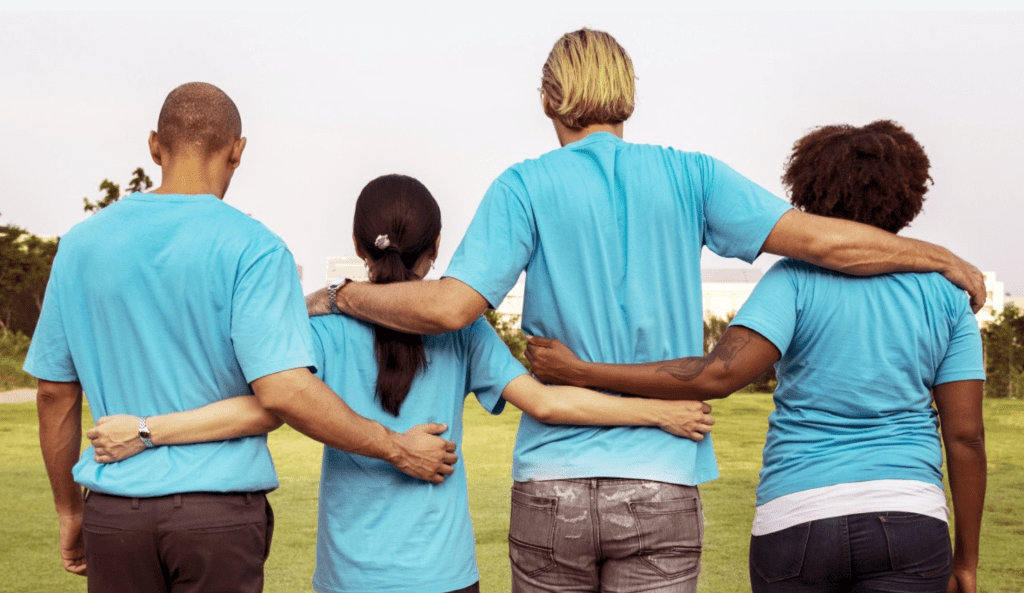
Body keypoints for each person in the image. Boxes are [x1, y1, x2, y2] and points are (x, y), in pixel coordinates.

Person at [305, 29, 986, 593]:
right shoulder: (692, 175)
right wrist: (938, 256)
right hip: (662, 478)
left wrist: (343, 296)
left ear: (549, 98)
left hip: (552, 483)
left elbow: (451, 306)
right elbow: (822, 239)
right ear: (629, 94)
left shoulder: (524, 185)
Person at [87, 173, 717, 593]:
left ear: (358, 245)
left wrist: (147, 430)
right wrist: (656, 414)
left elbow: (262, 408)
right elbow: (548, 405)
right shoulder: (463, 333)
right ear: (438, 246)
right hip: (444, 575)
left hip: (348, 579)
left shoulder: (322, 331)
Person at [24, 83, 458, 593]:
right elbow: (280, 394)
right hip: (219, 517)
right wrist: (395, 448)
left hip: (116, 513)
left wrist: (69, 512)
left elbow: (55, 393)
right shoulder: (256, 249)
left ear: (154, 146)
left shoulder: (79, 246)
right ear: (237, 150)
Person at [525, 120, 986, 593]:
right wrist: (966, 561)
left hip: (797, 521)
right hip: (909, 517)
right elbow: (966, 437)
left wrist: (581, 370)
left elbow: (716, 375)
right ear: (910, 194)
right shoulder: (947, 296)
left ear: (811, 191)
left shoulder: (793, 280)